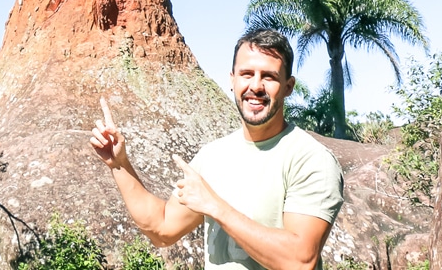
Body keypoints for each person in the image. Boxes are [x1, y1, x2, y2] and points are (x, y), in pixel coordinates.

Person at [90, 28, 344, 270]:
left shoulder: (311, 159)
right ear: (232, 80)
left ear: (288, 87)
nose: (256, 86)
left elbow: (299, 261)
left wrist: (215, 207)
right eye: (246, 74)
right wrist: (119, 164)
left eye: (268, 76)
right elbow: (162, 228)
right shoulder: (213, 156)